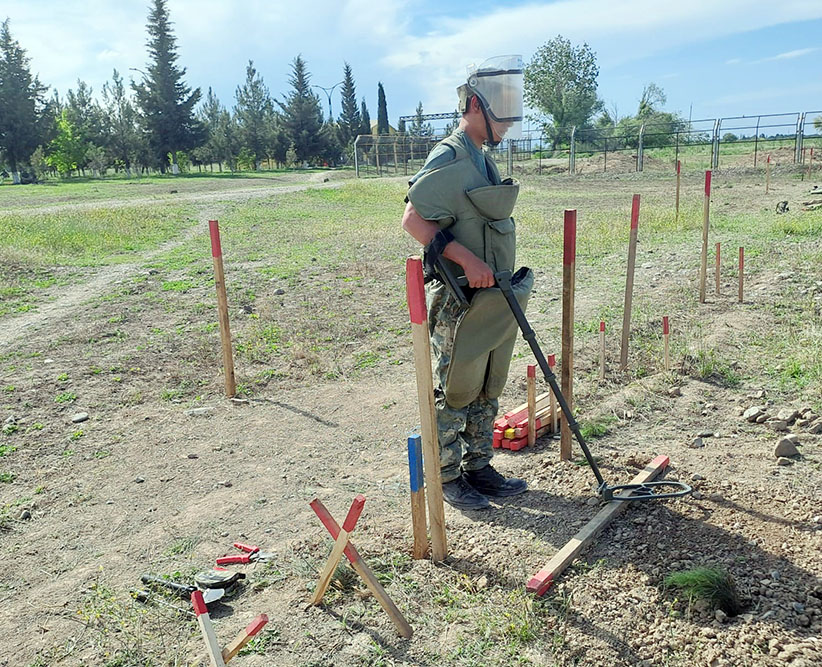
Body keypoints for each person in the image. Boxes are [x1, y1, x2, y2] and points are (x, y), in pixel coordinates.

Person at [402, 55, 533, 510]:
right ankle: (446, 476)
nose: (509, 120)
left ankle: (479, 466)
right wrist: (463, 258)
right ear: (475, 105)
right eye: (501, 107)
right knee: (455, 388)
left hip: (493, 295)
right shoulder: (451, 153)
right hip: (460, 298)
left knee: (486, 384)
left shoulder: (483, 157)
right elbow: (413, 219)